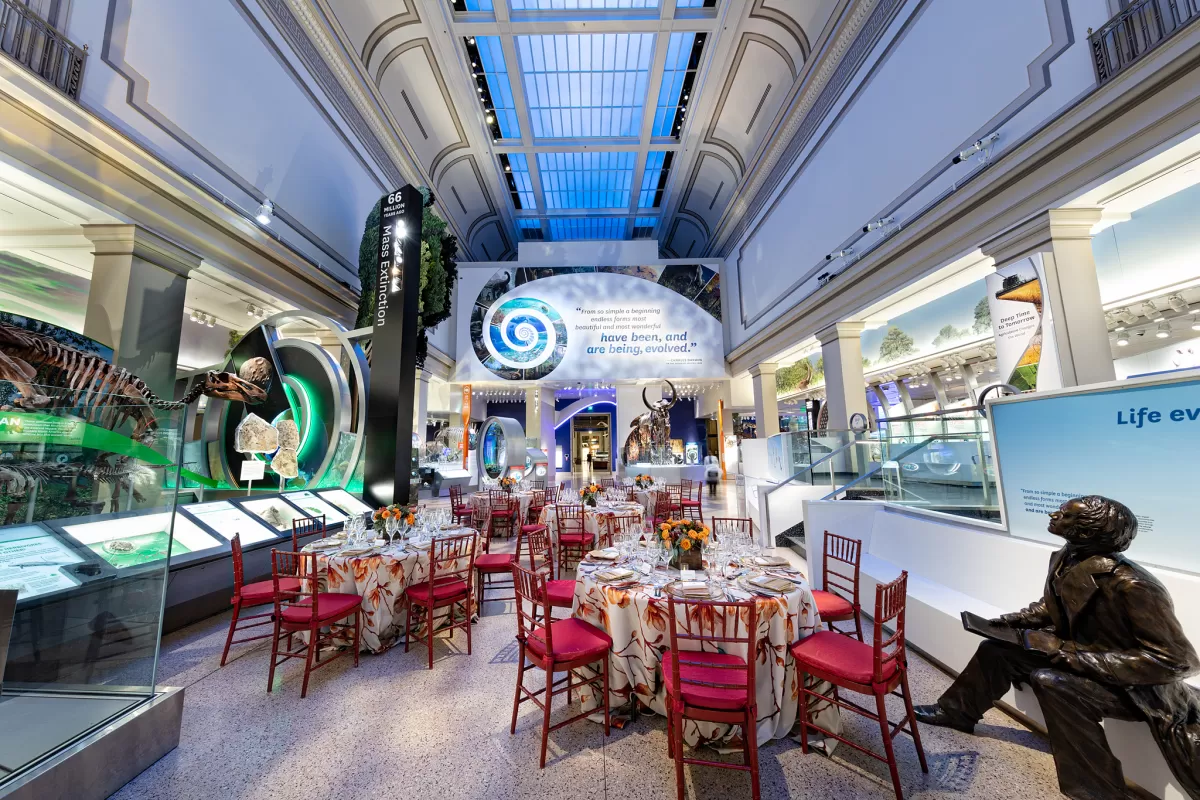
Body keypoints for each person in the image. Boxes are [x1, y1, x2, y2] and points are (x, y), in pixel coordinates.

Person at [915, 495, 1200, 800]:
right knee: (995, 649)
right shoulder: (1068, 555)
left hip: (1132, 687)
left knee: (1051, 682)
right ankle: (957, 712)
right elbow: (1055, 605)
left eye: (1064, 514)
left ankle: (1098, 791)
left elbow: (1176, 661)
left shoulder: (1133, 585)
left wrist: (1065, 653)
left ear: (1087, 532)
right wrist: (1018, 620)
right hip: (1084, 656)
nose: (1054, 514)